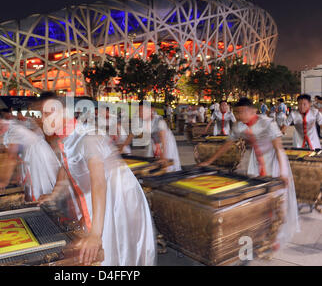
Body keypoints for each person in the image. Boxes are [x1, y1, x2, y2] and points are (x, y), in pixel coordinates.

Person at [39, 96, 156, 266]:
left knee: (112, 253)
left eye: (48, 113)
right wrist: (54, 194)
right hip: (102, 198)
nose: (42, 119)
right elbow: (66, 166)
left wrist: (95, 234)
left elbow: (99, 183)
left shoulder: (88, 138)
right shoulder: (68, 137)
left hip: (117, 201)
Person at [199, 97, 299, 248]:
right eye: (237, 112)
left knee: (277, 198)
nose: (239, 115)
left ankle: (276, 235)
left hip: (274, 161)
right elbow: (227, 145)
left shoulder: (267, 123)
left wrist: (283, 173)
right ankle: (261, 230)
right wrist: (209, 161)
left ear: (252, 110)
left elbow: (279, 149)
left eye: (242, 111)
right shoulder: (239, 126)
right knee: (258, 198)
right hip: (255, 162)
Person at [0, 107, 60, 202]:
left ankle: (43, 206)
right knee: (31, 186)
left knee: (40, 186)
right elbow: (0, 154)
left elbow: (10, 157)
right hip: (29, 157)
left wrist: (3, 182)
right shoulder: (3, 130)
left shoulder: (13, 129)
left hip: (37, 157)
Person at [127, 102, 181, 172]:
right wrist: (123, 146)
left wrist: (163, 156)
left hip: (166, 143)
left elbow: (163, 140)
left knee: (166, 164)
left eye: (142, 110)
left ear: (151, 110)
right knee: (152, 162)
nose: (140, 113)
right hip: (154, 142)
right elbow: (132, 134)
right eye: (139, 110)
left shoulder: (159, 121)